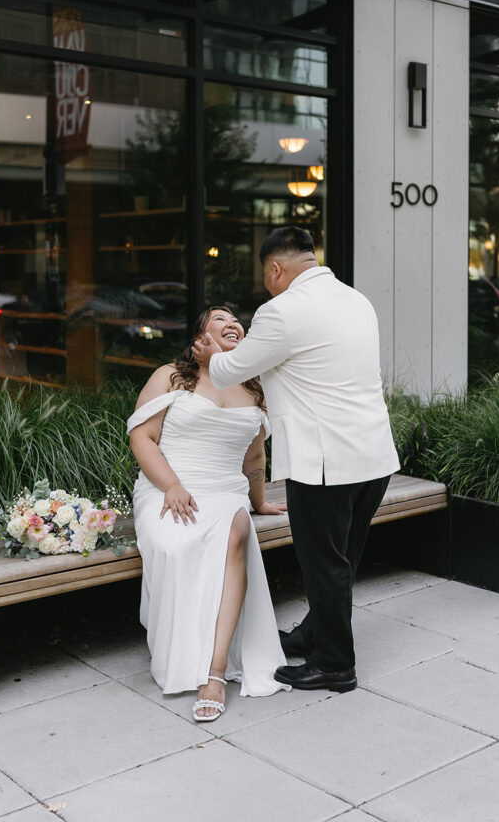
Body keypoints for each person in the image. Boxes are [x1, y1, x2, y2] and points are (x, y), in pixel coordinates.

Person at [193, 227, 400, 693]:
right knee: (342, 559)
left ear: (275, 269)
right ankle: (315, 633)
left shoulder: (281, 311)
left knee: (323, 563)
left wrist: (210, 353)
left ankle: (334, 664)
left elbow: (229, 371)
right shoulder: (356, 300)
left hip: (324, 463)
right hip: (374, 456)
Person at [127, 306, 289, 723]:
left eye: (237, 319)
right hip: (169, 485)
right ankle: (183, 646)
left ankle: (215, 673)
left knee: (236, 532)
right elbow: (142, 437)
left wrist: (258, 501)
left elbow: (255, 455)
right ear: (200, 333)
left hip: (225, 491)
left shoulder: (254, 387)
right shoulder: (171, 376)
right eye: (220, 318)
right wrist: (172, 485)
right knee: (173, 543)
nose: (233, 322)